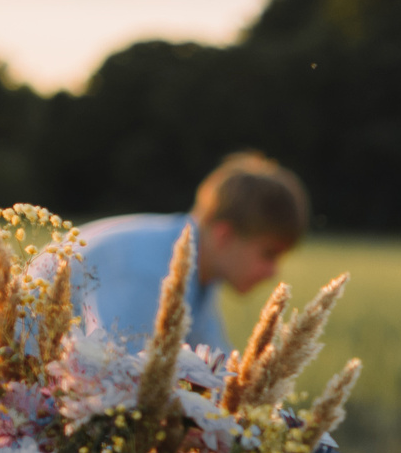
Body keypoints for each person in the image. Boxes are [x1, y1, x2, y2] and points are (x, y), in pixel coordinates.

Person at [75, 152, 308, 354]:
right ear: (223, 236)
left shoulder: (196, 271)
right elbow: (116, 382)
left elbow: (216, 366)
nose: (273, 272)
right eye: (269, 254)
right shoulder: (146, 272)